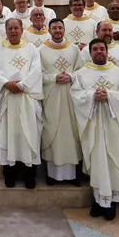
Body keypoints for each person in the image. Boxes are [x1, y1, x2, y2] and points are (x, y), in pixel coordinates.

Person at [71, 39, 119, 220]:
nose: (99, 52)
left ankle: (112, 201)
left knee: (114, 160)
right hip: (93, 126)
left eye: (102, 49)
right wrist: (92, 95)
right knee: (97, 160)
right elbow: (75, 95)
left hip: (114, 126)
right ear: (90, 53)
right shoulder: (81, 74)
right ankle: (98, 199)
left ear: (107, 51)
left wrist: (109, 95)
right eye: (95, 49)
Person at [0, 18, 43, 188]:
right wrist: (7, 84)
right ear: (6, 30)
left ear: (22, 29)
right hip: (7, 99)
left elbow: (36, 71)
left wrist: (21, 85)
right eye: (10, 28)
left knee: (29, 136)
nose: (13, 31)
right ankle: (9, 173)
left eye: (16, 28)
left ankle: (29, 175)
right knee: (8, 135)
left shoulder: (32, 49)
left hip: (26, 99)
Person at [38, 18, 84, 186]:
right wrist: (54, 77)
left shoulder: (74, 49)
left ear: (64, 30)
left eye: (60, 27)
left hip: (71, 98)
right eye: (54, 28)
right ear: (49, 30)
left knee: (72, 133)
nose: (57, 30)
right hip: (52, 97)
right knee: (52, 132)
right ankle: (52, 175)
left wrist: (70, 76)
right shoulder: (41, 50)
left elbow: (81, 71)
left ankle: (72, 175)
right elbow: (39, 74)